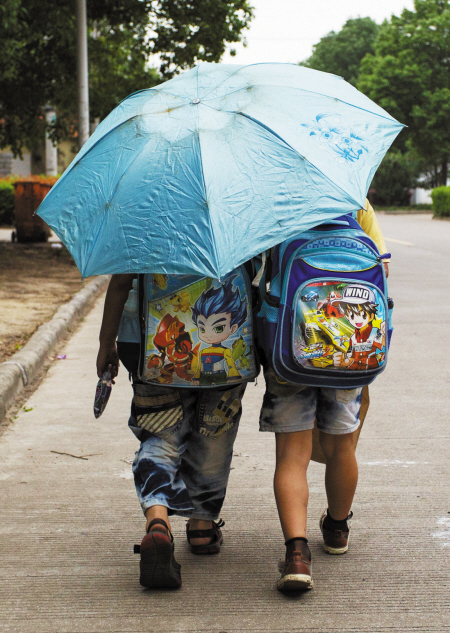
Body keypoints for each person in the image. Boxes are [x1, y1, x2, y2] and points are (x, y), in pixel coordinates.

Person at [259, 200, 390, 591]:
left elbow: (262, 279)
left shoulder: (276, 203)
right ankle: (336, 528)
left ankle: (297, 555)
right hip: (349, 354)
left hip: (290, 354)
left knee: (292, 455)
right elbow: (381, 273)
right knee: (342, 447)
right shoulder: (356, 200)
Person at [97, 273, 248, 589]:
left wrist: (106, 342)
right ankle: (202, 526)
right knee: (214, 432)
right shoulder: (234, 221)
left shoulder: (140, 222)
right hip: (226, 343)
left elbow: (122, 283)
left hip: (147, 342)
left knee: (160, 433)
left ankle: (158, 522)